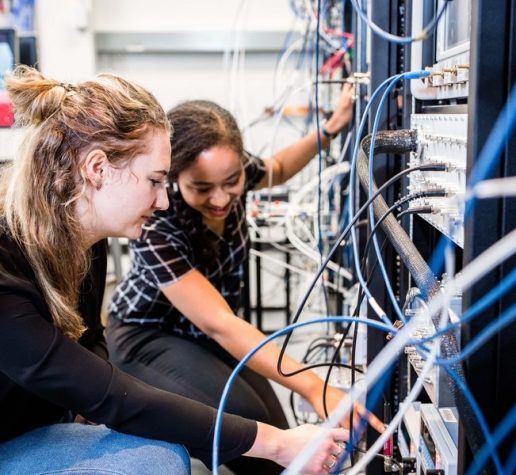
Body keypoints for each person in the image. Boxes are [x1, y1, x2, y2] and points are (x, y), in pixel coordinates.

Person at [0, 65, 350, 475]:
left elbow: (88, 339)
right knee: (174, 459)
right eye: (153, 180)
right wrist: (277, 444)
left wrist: (81, 396)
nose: (162, 200)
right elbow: (118, 397)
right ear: (97, 168)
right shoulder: (8, 266)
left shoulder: (83, 235)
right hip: (16, 431)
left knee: (234, 436)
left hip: (37, 418)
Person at [107, 87, 383, 474]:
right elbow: (218, 323)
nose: (221, 198)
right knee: (255, 443)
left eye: (232, 181)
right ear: (174, 175)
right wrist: (312, 386)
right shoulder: (158, 221)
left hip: (207, 334)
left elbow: (280, 168)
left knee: (278, 429)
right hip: (149, 337)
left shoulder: (229, 169)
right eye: (201, 188)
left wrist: (331, 129)